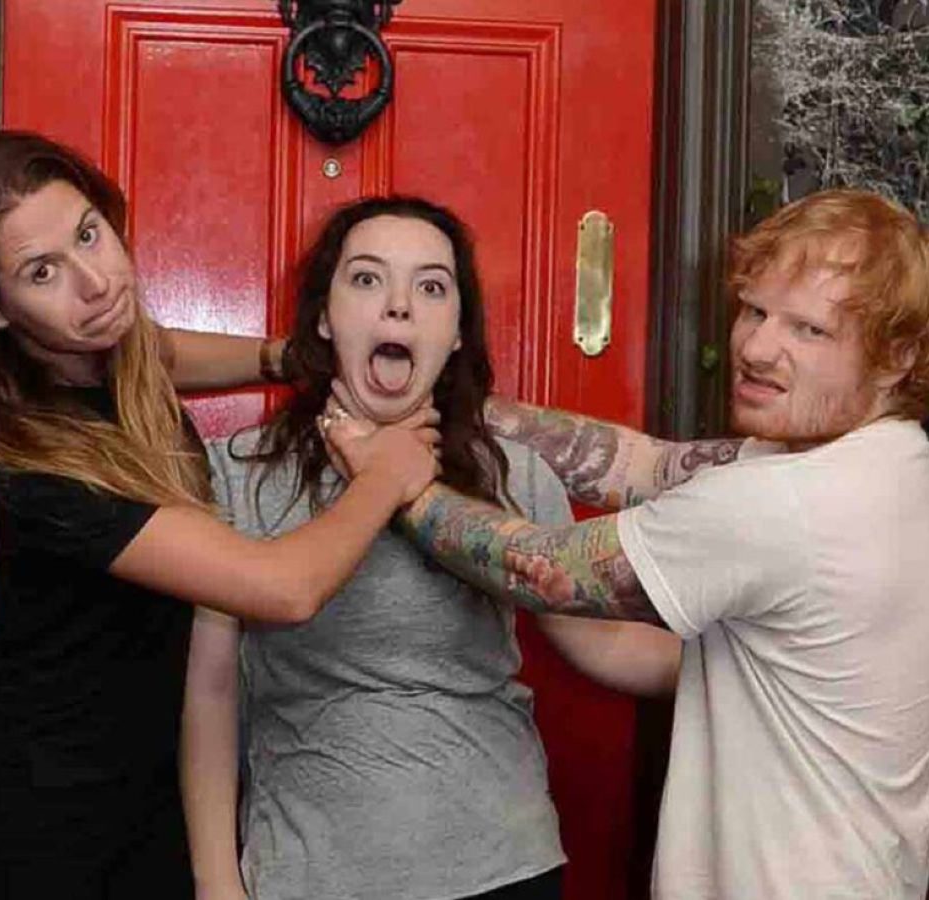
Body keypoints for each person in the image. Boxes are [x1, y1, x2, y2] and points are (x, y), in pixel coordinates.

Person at [326, 189, 929, 898]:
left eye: (808, 331)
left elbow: (541, 570)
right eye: (755, 310)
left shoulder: (790, 504)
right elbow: (645, 465)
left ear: (897, 357)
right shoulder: (891, 464)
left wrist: (397, 482)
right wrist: (461, 406)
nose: (754, 348)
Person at [0, 130, 437, 900]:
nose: (97, 283)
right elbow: (281, 588)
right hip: (34, 836)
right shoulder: (26, 461)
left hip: (135, 787)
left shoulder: (84, 352)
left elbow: (148, 349)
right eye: (42, 271)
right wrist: (384, 478)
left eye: (90, 233)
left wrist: (278, 358)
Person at [185, 196, 698, 900]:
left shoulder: (513, 475)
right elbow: (211, 694)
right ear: (325, 317)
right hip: (307, 875)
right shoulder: (240, 473)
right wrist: (217, 882)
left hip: (502, 865)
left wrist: (760, 665)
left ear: (457, 332)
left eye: (431, 287)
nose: (399, 307)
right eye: (367, 280)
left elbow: (604, 646)